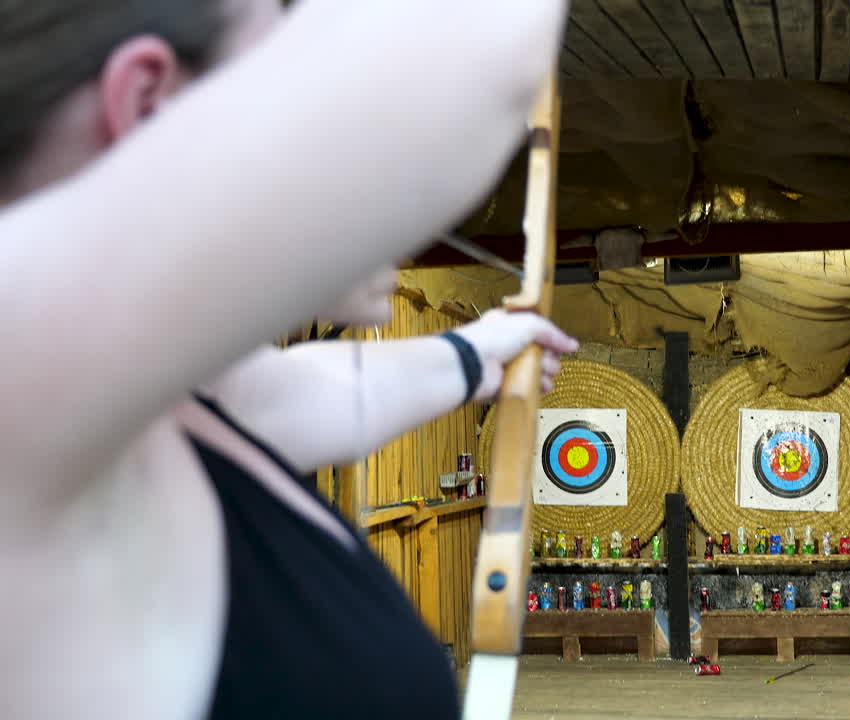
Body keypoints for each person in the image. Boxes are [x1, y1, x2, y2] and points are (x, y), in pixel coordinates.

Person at [0, 1, 574, 718]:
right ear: (149, 105)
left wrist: (473, 355)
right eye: (290, 85)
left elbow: (297, 393)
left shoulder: (165, 412)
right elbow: (475, 44)